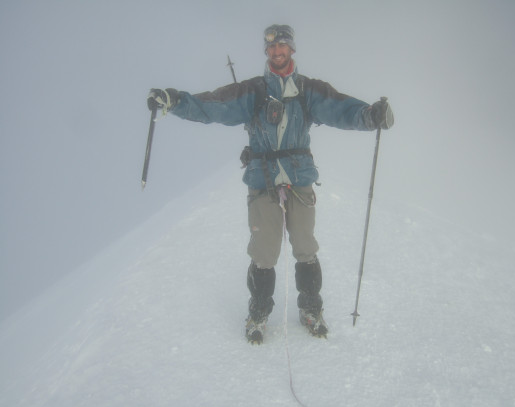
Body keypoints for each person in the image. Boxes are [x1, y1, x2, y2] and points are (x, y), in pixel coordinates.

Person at [148, 24, 394, 344]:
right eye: (271, 48)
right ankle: (259, 312)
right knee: (264, 252)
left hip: (299, 179)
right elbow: (211, 106)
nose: (277, 52)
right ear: (267, 52)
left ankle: (310, 307)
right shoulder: (253, 92)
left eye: (282, 46)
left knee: (305, 247)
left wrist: (371, 115)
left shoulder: (308, 90)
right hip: (262, 181)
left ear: (292, 49)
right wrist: (173, 100)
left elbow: (341, 109)